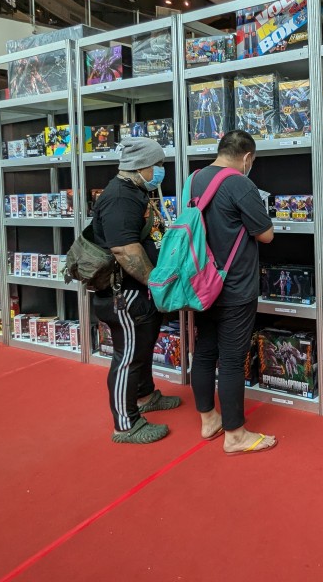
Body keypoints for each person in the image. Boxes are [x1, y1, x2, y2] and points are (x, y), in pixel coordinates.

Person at [190, 130, 277, 454]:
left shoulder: (193, 179)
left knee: (204, 351)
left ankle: (208, 419)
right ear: (247, 157)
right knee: (230, 361)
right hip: (234, 285)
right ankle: (235, 434)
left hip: (201, 283)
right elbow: (265, 234)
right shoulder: (240, 183)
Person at [91, 137, 181, 443]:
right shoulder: (120, 197)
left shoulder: (135, 192)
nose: (161, 170)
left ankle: (145, 396)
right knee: (128, 357)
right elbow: (124, 249)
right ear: (142, 165)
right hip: (124, 294)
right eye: (158, 164)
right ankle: (126, 424)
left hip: (138, 293)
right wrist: (155, 282)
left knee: (141, 348)